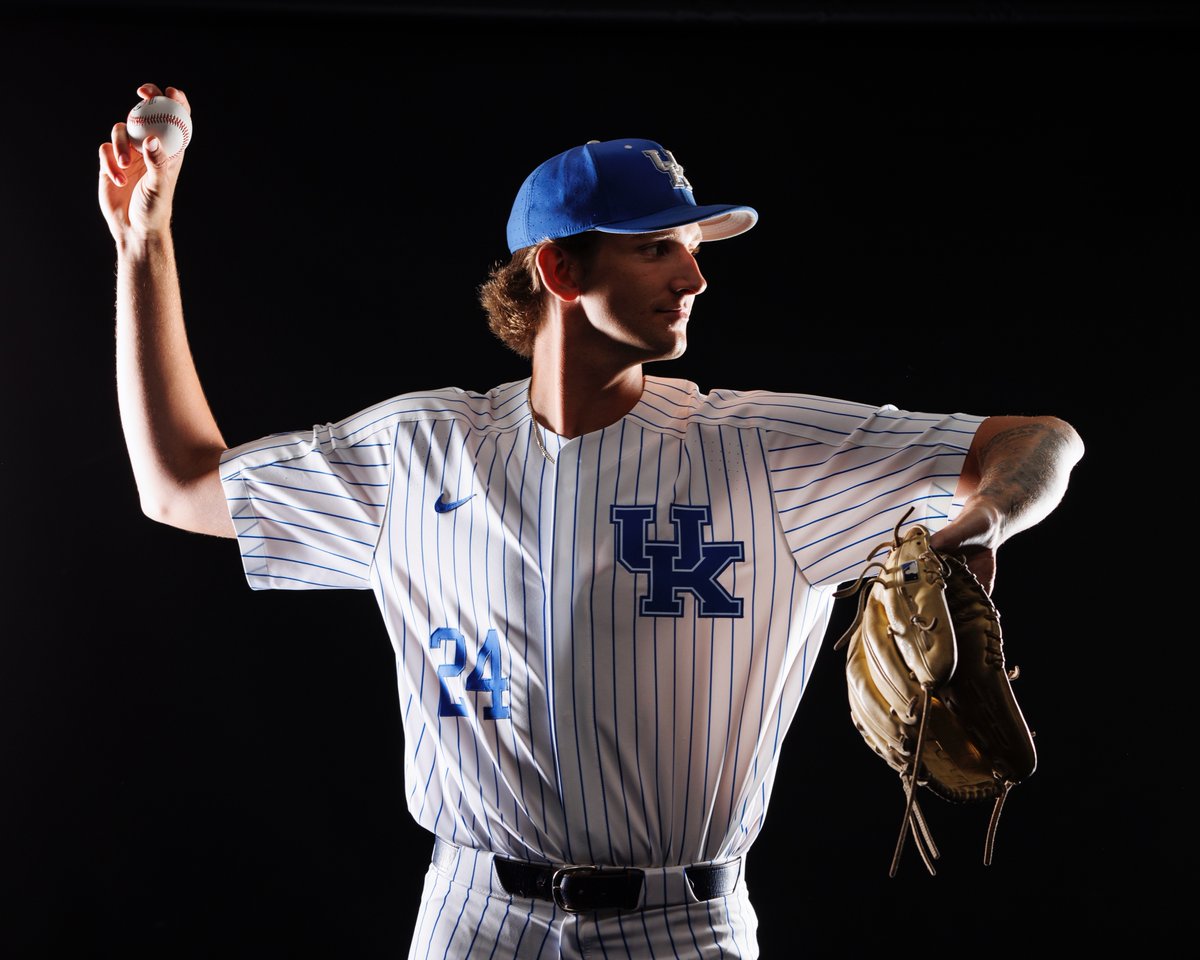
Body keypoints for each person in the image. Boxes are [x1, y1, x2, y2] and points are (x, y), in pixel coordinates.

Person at [98, 83, 1084, 959]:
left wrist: (988, 518)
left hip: (682, 926)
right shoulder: (420, 452)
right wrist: (144, 242)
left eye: (693, 252)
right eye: (658, 249)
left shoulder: (767, 452)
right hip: (472, 918)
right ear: (561, 272)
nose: (694, 279)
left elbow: (1039, 441)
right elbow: (179, 484)